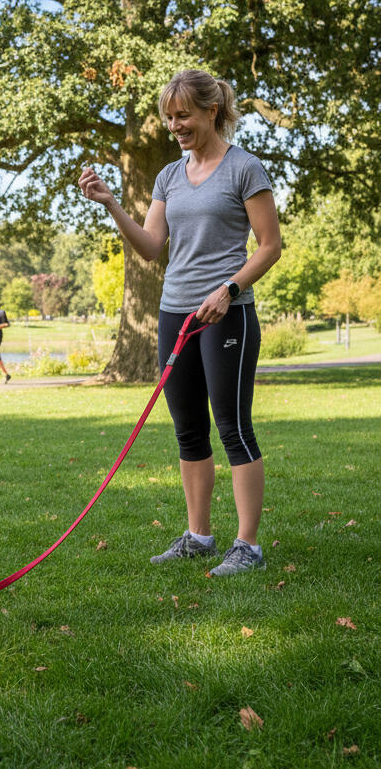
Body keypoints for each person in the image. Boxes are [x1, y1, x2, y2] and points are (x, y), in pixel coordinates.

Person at [79, 69, 282, 576]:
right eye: (169, 118)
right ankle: (199, 536)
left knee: (233, 427)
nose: (175, 125)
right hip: (176, 313)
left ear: (212, 111)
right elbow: (151, 248)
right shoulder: (168, 176)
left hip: (226, 313)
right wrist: (111, 205)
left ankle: (248, 546)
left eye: (183, 115)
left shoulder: (244, 168)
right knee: (188, 430)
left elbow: (270, 246)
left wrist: (229, 289)